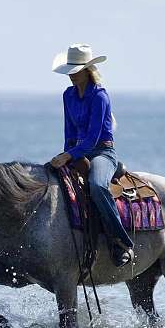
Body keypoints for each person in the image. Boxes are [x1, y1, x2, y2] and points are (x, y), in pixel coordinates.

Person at [50, 43, 134, 267]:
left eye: (76, 70)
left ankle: (121, 242)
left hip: (102, 152)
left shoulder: (100, 97)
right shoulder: (68, 95)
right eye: (70, 70)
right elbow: (69, 131)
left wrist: (69, 156)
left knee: (97, 185)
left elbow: (93, 138)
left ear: (88, 70)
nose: (72, 75)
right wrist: (66, 154)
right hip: (77, 151)